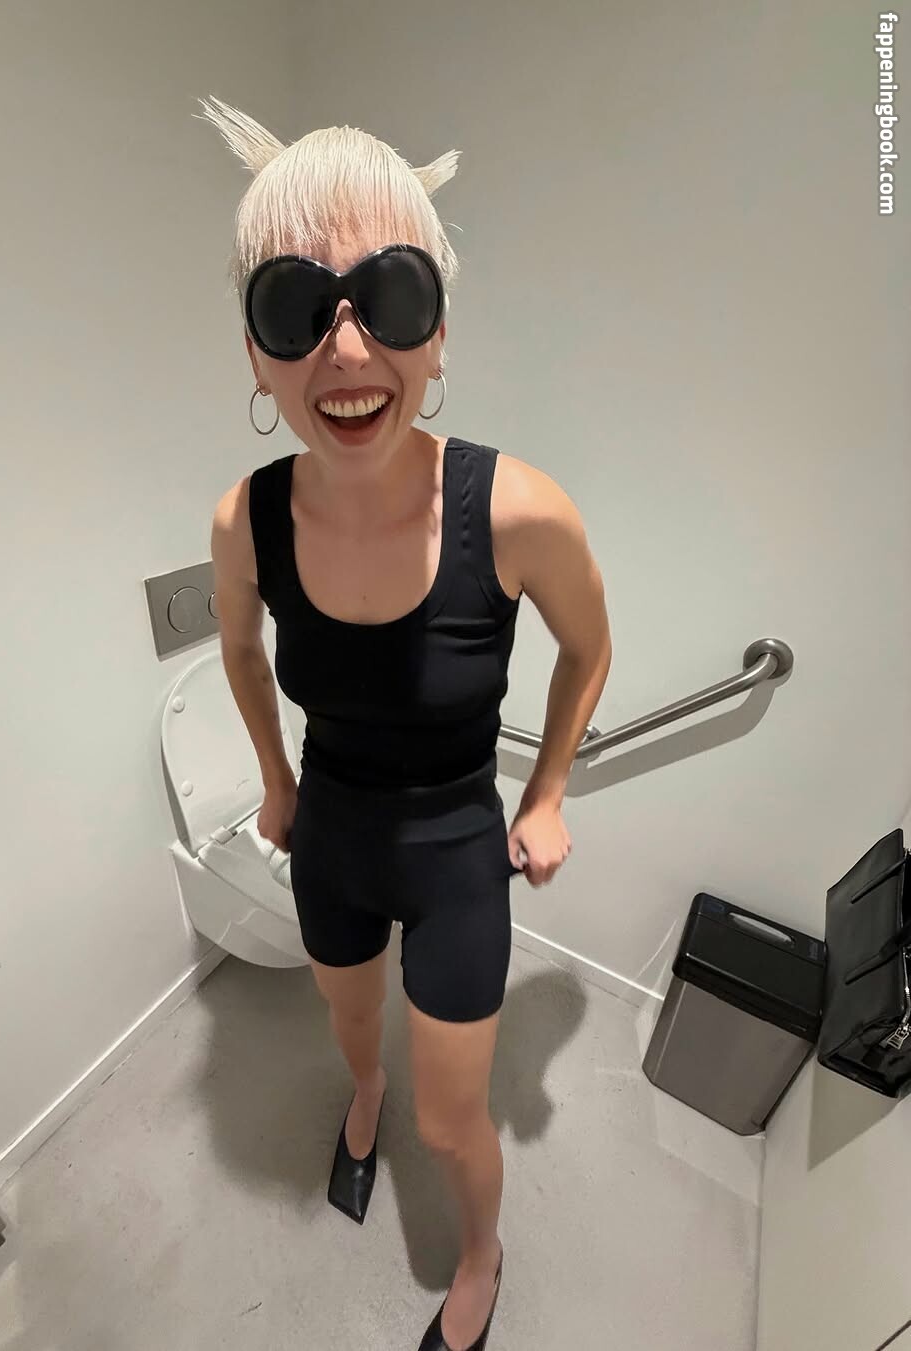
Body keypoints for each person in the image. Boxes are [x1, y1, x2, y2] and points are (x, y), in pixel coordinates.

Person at [203, 96, 612, 1351]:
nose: (345, 349)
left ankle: (482, 1254)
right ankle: (364, 1090)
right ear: (257, 353)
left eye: (387, 296)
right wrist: (275, 780)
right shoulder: (245, 520)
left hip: (452, 851)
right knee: (351, 1032)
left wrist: (546, 794)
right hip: (332, 832)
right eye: (295, 306)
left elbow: (589, 649)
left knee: (452, 1119)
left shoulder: (519, 509)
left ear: (437, 334)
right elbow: (240, 651)